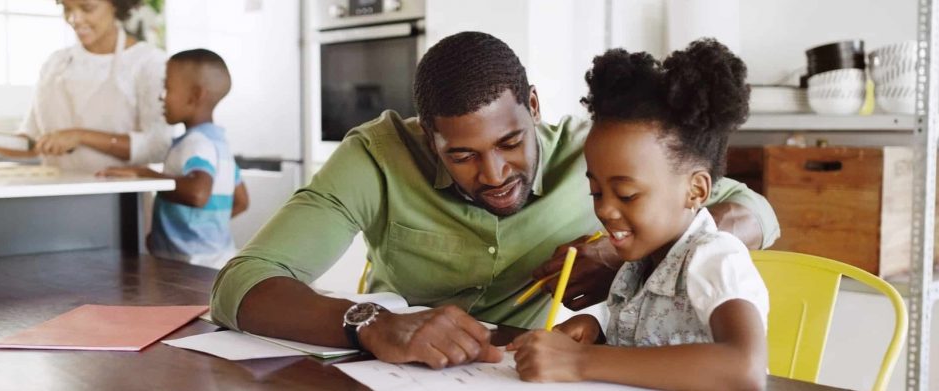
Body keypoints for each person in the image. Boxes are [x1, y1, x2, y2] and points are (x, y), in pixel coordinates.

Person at [210, 31, 778, 370]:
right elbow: (241, 283)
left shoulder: (603, 157)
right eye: (460, 155)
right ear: (426, 134)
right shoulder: (377, 156)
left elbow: (752, 212)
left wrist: (630, 252)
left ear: (533, 105)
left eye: (511, 142)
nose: (495, 174)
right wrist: (369, 322)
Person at [507, 39, 768, 390]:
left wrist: (582, 361)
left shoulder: (713, 257)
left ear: (697, 190)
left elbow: (744, 369)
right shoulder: (639, 263)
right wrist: (596, 333)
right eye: (596, 192)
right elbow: (655, 344)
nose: (604, 209)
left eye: (627, 195)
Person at [99, 49, 249, 269]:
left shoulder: (196, 143)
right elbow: (241, 201)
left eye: (167, 88)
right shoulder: (219, 144)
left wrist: (145, 174)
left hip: (189, 264)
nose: (161, 96)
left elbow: (197, 193)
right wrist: (175, 234)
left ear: (195, 95)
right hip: (217, 261)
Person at [0, 0, 172, 174]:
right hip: (53, 194)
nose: (75, 19)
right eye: (67, 9)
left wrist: (80, 136)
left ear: (115, 4)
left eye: (87, 8)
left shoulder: (149, 63)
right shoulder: (55, 64)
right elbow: (31, 142)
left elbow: (157, 147)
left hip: (117, 195)